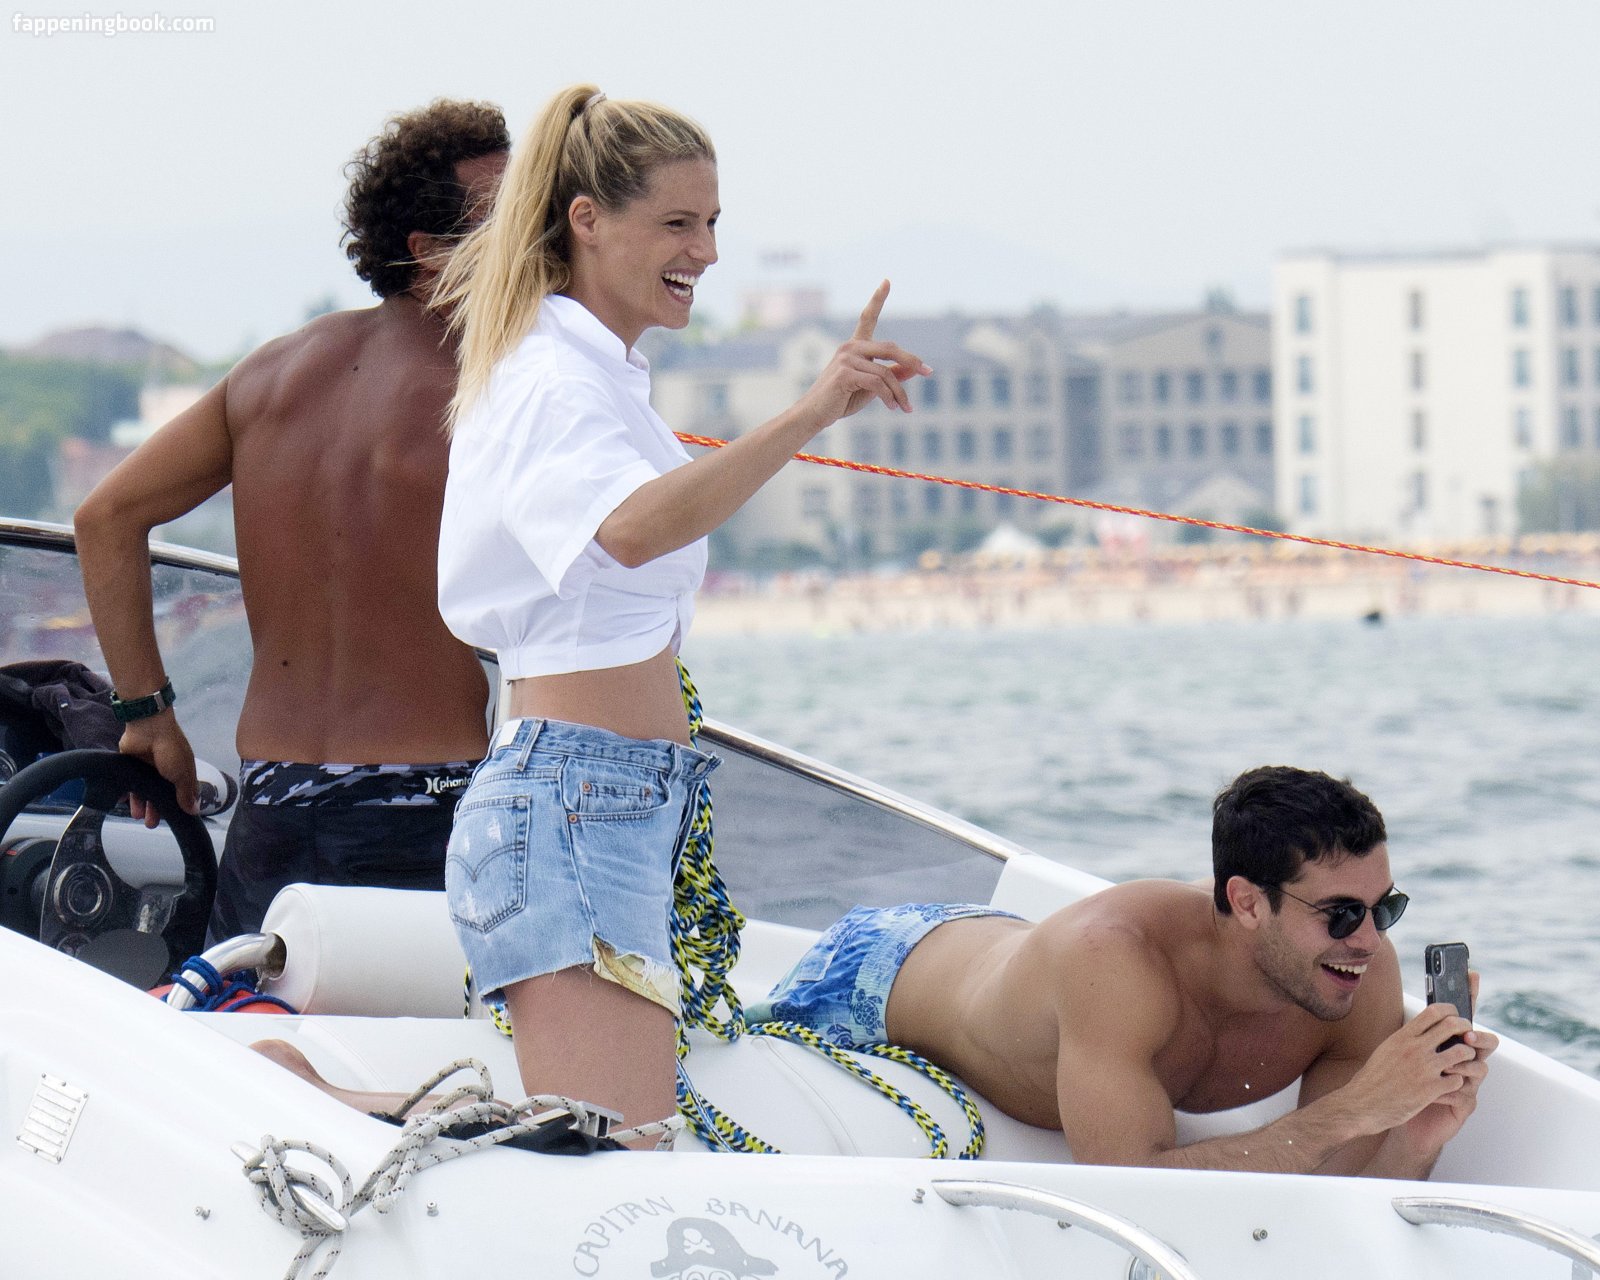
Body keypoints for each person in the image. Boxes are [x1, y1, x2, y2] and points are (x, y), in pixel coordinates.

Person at [433, 84, 929, 1143]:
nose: (704, 252)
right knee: (620, 1155)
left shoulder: (601, 375)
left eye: (711, 224)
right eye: (676, 223)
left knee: (619, 1149)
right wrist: (809, 411)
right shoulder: (549, 379)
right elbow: (631, 529)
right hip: (573, 802)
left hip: (608, 800)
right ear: (587, 220)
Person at [74, 100, 511, 942]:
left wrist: (146, 713)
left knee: (258, 1021)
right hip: (421, 803)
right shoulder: (491, 388)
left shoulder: (270, 373)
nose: (540, 234)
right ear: (428, 252)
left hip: (275, 799)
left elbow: (106, 516)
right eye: (511, 217)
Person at [748, 765, 1499, 1176]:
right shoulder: (1116, 964)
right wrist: (1359, 1108)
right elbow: (1129, 1183)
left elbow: (1332, 1188)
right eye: (1339, 913)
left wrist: (1415, 1135)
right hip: (875, 974)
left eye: (1384, 907)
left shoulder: (1353, 975)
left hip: (1008, 956)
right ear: (1247, 902)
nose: (1367, 940)